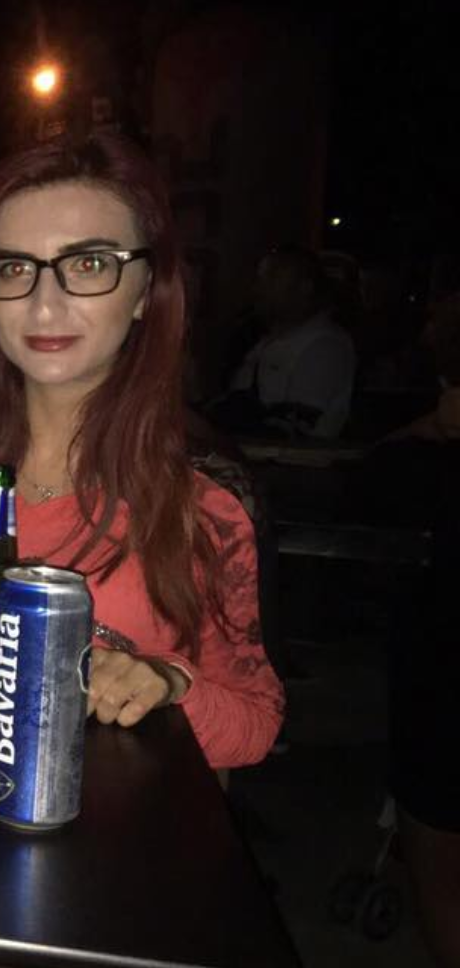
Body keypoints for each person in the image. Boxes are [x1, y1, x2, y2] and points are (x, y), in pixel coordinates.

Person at [0, 133, 284, 770]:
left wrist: (167, 683)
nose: (45, 305)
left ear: (145, 290)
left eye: (89, 264)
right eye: (15, 268)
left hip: (115, 826)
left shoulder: (202, 500)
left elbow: (256, 720)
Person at [346, 305, 460, 967]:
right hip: (439, 653)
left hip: (444, 663)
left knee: (439, 842)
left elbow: (372, 485)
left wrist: (430, 429)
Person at [217, 245, 356, 439]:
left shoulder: (325, 346)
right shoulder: (259, 338)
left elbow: (292, 429)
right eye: (259, 279)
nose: (258, 289)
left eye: (272, 278)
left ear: (304, 288)